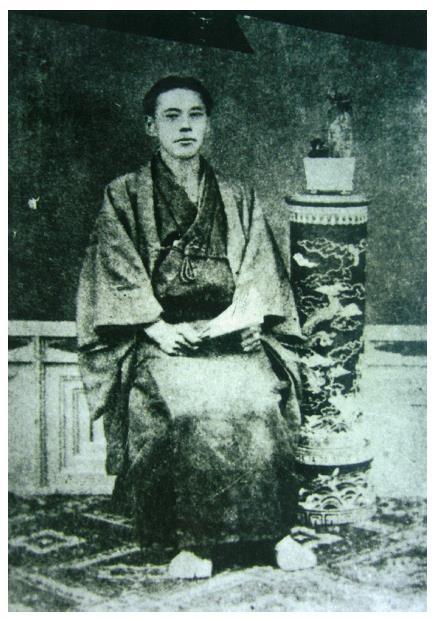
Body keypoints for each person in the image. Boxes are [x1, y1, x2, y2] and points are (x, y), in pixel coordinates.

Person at [77, 75, 304, 578]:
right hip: (165, 339)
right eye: (171, 116)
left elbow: (259, 269)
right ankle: (193, 542)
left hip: (230, 336)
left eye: (195, 115)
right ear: (150, 126)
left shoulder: (238, 196)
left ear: (208, 124)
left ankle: (275, 534)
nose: (185, 127)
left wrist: (250, 321)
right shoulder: (124, 194)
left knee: (259, 401)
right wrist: (155, 328)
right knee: (191, 409)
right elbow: (116, 271)